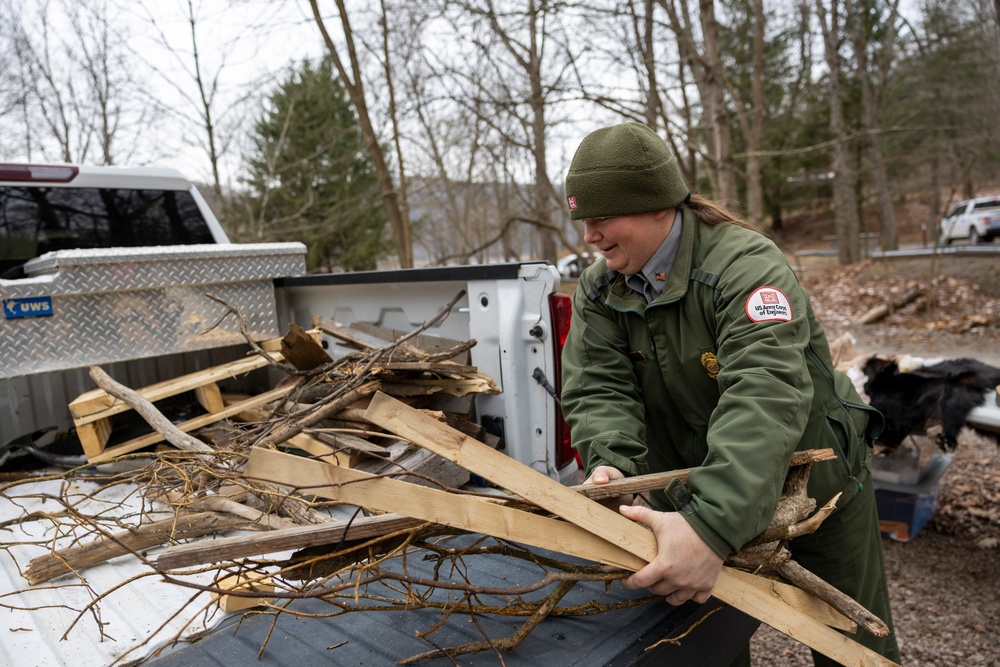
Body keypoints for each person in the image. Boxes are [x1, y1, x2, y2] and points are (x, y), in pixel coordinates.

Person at [559, 121, 901, 666]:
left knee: (851, 642)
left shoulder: (744, 267)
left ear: (657, 206)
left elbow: (764, 391)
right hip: (697, 491)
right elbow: (598, 386)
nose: (590, 235)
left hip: (815, 478)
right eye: (582, 220)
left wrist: (710, 526)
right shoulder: (601, 290)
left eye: (602, 218)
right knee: (709, 642)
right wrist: (612, 467)